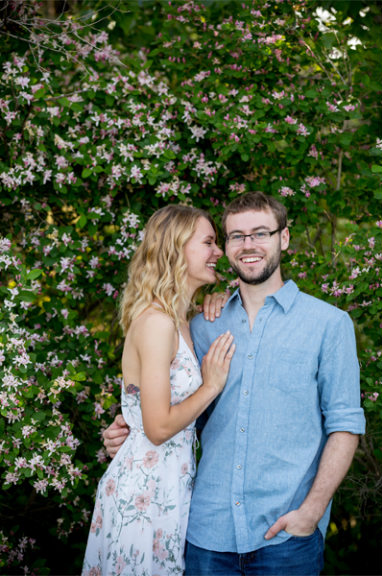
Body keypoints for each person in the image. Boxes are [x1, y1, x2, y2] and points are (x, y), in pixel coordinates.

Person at [102, 192, 365, 576]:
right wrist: (127, 429)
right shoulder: (201, 325)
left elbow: (345, 425)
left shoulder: (329, 324)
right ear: (226, 248)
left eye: (260, 233)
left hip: (286, 539)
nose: (248, 245)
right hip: (205, 533)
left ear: (284, 238)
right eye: (235, 236)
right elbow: (170, 407)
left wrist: (311, 513)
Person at [82, 205, 236, 576]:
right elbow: (157, 427)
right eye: (209, 242)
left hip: (169, 490)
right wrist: (211, 385)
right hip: (142, 496)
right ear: (176, 249)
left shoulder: (182, 321)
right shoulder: (155, 323)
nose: (220, 252)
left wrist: (216, 303)